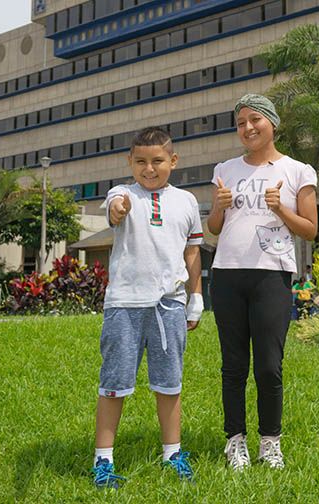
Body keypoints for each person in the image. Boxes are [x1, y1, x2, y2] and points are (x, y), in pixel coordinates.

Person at [207, 94, 318, 470]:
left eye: (255, 119)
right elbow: (213, 229)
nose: (247, 128)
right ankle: (234, 440)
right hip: (227, 275)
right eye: (240, 123)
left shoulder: (298, 171)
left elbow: (310, 230)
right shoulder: (225, 167)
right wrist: (219, 207)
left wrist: (279, 208)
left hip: (272, 276)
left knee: (269, 365)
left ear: (272, 122)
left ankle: (270, 442)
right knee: (233, 365)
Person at [91, 127, 204, 488]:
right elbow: (112, 207)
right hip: (124, 304)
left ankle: (173, 453)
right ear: (130, 162)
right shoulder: (123, 193)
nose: (149, 168)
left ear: (173, 161)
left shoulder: (186, 202)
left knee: (169, 384)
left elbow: (192, 251)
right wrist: (118, 208)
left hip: (169, 305)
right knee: (114, 383)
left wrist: (196, 297)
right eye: (140, 161)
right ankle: (103, 460)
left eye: (157, 161)